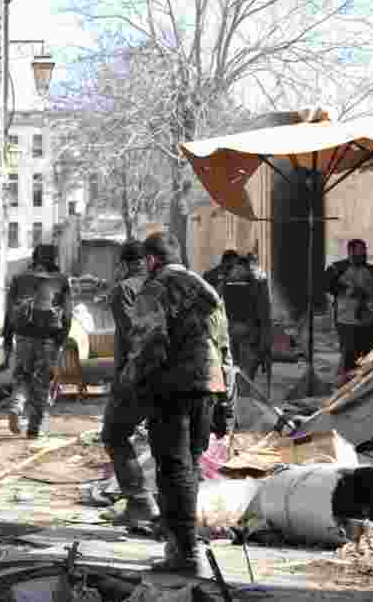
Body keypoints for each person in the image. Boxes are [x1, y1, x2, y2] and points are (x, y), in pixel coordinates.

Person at [123, 232, 227, 575]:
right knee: (190, 466)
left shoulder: (154, 289)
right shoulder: (204, 287)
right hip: (209, 385)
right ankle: (180, 544)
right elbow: (222, 341)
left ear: (152, 260)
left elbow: (150, 343)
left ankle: (185, 554)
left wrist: (134, 384)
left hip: (173, 388)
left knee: (173, 469)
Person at [101, 240, 158, 525]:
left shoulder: (124, 289)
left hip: (136, 377)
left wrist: (126, 380)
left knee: (114, 434)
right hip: (175, 376)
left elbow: (135, 338)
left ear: (123, 264)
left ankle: (140, 502)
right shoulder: (167, 283)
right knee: (166, 442)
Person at [2, 244, 73, 439]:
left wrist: (7, 341)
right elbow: (67, 314)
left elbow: (8, 314)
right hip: (48, 339)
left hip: (23, 337)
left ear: (35, 258)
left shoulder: (19, 279)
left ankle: (16, 405)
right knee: (41, 382)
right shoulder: (61, 281)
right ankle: (34, 428)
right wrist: (61, 341)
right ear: (54, 259)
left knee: (23, 376)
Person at [325, 239, 373, 383]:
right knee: (350, 360)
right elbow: (325, 283)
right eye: (359, 251)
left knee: (372, 358)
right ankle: (346, 390)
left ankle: (369, 387)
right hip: (347, 322)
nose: (362, 254)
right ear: (350, 252)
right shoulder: (337, 268)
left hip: (369, 322)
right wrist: (346, 290)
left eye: (364, 250)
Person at [218, 253, 272, 395]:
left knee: (230, 374)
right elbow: (264, 312)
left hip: (228, 331)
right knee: (245, 377)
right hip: (249, 332)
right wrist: (265, 344)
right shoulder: (259, 280)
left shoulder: (224, 278)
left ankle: (232, 406)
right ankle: (241, 406)